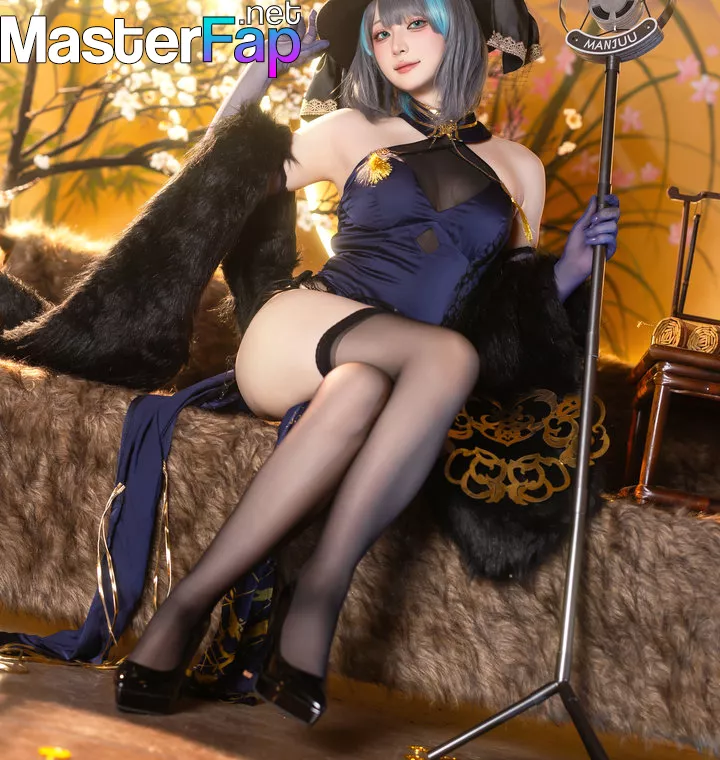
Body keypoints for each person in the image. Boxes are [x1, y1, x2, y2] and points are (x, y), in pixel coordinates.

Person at [0, 0, 620, 725]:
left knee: (365, 386)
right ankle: (323, 589)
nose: (394, 42)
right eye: (379, 31)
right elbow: (220, 177)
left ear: (464, 29)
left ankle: (185, 606)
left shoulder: (520, 168)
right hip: (298, 332)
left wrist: (570, 271)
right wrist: (261, 73)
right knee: (445, 356)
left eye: (415, 22)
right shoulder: (352, 129)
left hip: (388, 372)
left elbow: (505, 317)